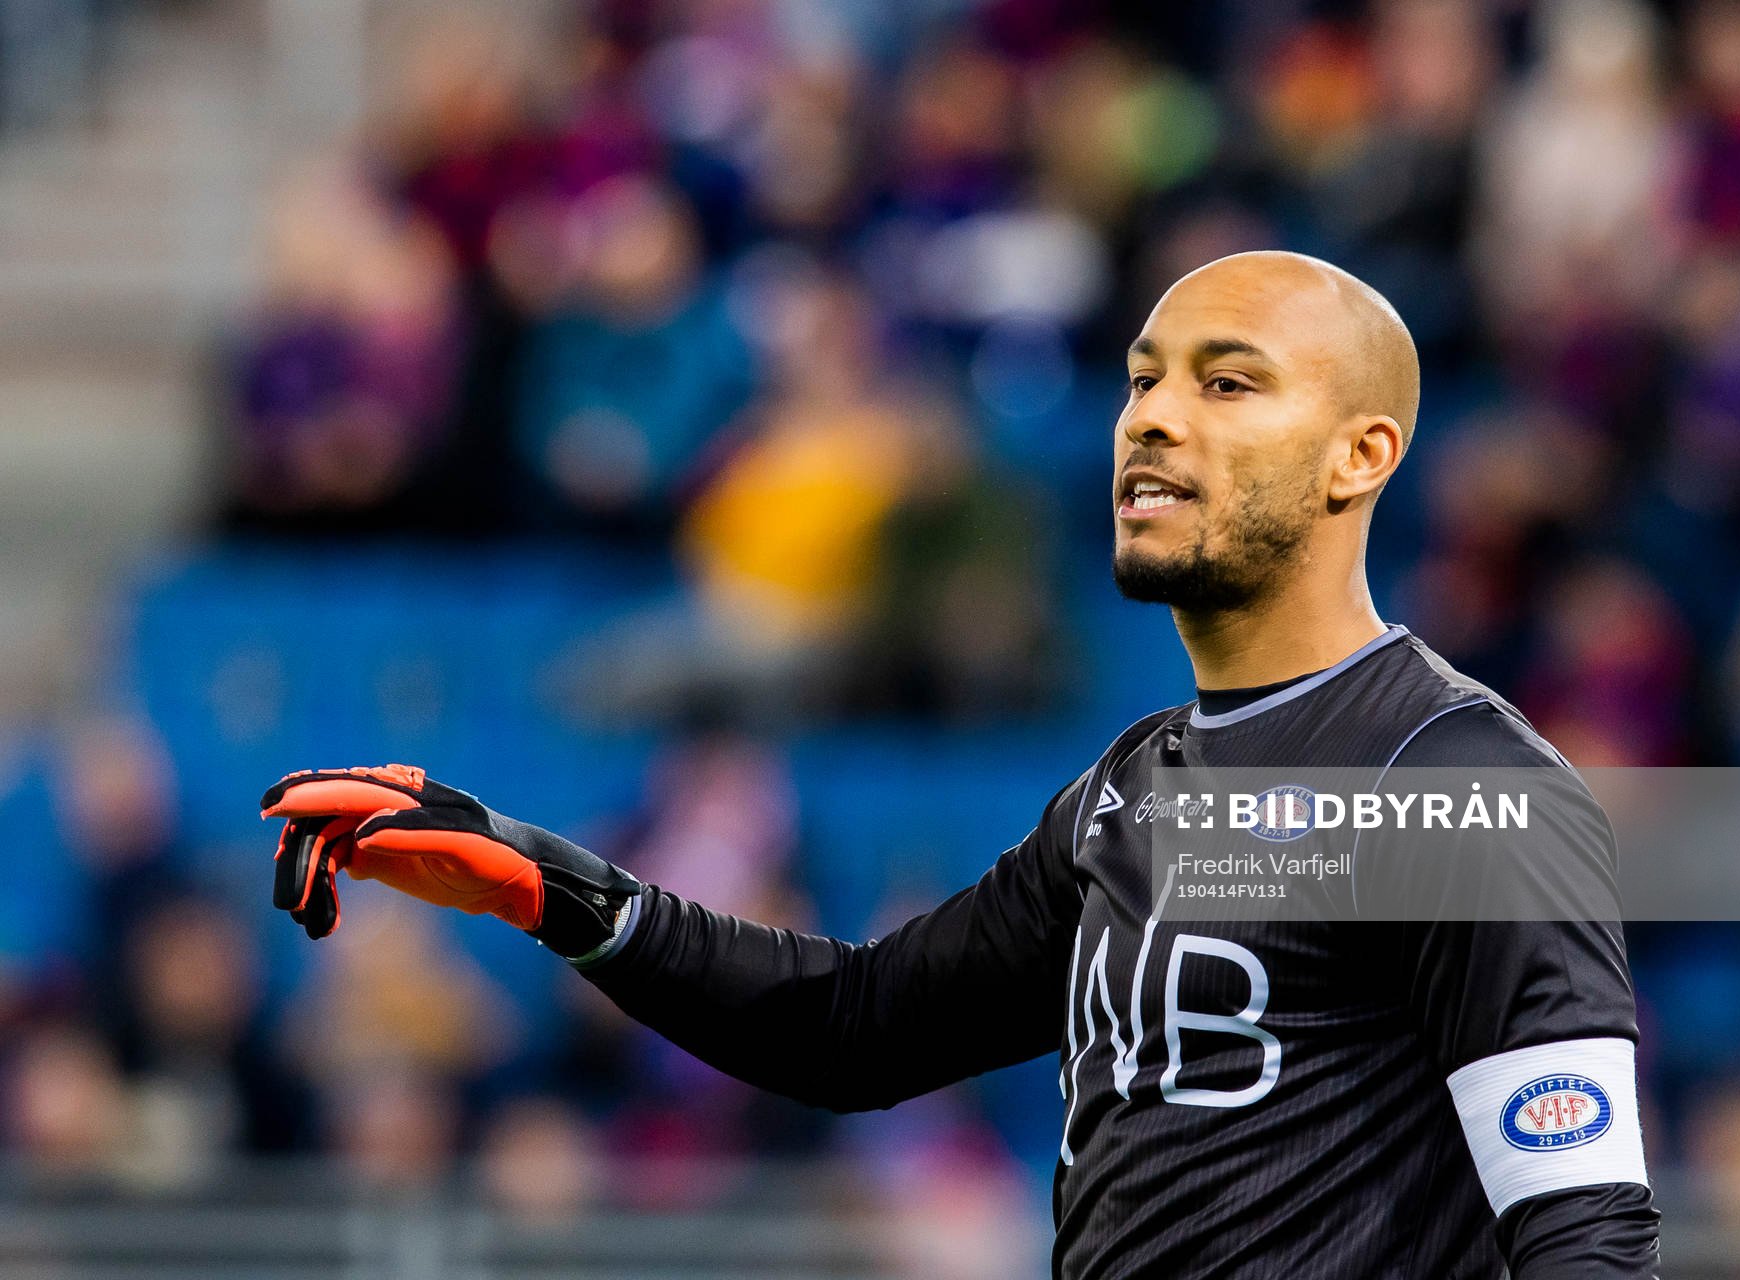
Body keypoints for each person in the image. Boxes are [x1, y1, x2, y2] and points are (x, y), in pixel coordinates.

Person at [262, 252, 1659, 1277]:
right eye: (1144, 381)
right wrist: (557, 893)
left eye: (1229, 382)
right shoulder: (1131, 795)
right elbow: (856, 1030)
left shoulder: (1452, 780)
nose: (1155, 417)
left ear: (1363, 455)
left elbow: (1587, 1238)